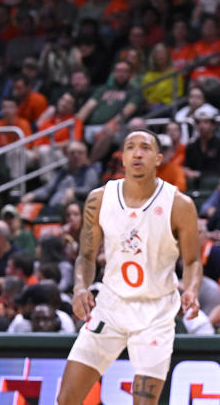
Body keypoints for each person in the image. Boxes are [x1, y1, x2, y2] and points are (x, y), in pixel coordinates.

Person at [58, 129, 203, 405]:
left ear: (158, 158)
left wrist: (192, 289)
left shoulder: (179, 204)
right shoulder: (99, 199)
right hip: (110, 307)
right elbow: (86, 256)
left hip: (155, 313)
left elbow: (193, 260)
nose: (137, 153)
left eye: (145, 148)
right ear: (122, 157)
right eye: (130, 147)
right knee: (66, 399)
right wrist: (80, 287)